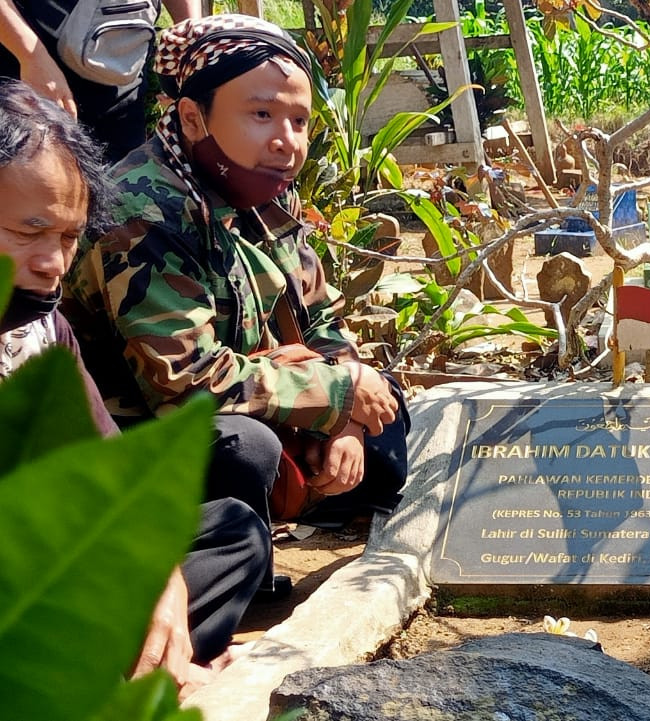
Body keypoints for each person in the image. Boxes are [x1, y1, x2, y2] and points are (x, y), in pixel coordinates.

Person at [64, 14, 409, 551]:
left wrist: (347, 422)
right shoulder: (143, 210)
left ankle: (277, 515)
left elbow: (321, 320)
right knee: (244, 449)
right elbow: (185, 385)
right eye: (262, 114)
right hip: (138, 433)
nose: (285, 141)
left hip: (259, 391)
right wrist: (337, 392)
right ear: (193, 119)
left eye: (299, 121)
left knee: (385, 410)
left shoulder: (260, 189)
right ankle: (215, 553)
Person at [0, 78, 267, 699]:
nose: (53, 262)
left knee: (232, 533)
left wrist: (161, 580)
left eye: (68, 238)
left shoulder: (42, 325)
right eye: (27, 232)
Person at [0, 0, 201, 163]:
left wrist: (192, 43)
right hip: (31, 70)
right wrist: (30, 57)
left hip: (123, 80)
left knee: (118, 197)